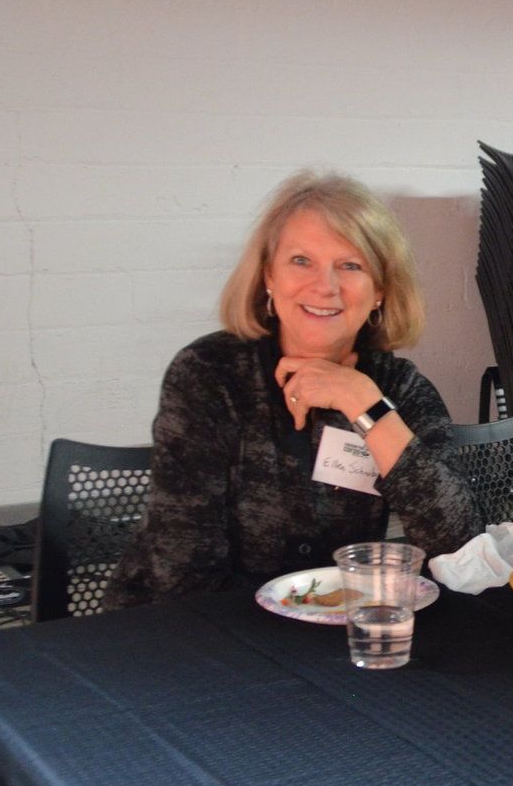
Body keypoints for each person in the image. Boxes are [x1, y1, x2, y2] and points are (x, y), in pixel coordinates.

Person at [106, 171, 481, 609]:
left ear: (379, 290)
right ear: (269, 276)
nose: (325, 286)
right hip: (184, 630)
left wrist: (364, 405)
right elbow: (183, 565)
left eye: (351, 265)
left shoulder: (398, 388)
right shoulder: (209, 374)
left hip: (330, 627)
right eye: (301, 261)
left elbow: (460, 551)